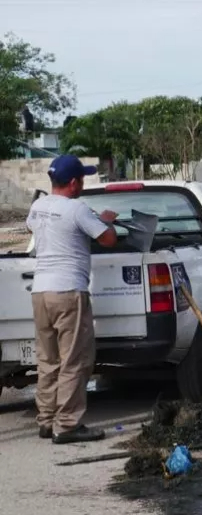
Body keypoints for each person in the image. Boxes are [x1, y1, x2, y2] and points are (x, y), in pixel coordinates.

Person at [25, 155, 118, 444]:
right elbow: (108, 240)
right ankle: (66, 425)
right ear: (75, 182)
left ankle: (46, 420)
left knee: (48, 359)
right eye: (83, 178)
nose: (84, 183)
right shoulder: (78, 209)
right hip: (68, 292)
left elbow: (33, 228)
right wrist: (105, 221)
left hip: (41, 292)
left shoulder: (38, 207)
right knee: (74, 360)